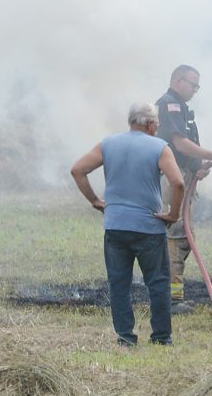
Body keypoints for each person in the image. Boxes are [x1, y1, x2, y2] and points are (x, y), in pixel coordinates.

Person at [70, 102, 185, 347]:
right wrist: (173, 215)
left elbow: (77, 170)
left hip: (116, 226)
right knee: (158, 283)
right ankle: (161, 338)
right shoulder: (160, 147)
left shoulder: (108, 144)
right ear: (152, 125)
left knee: (119, 284)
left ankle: (125, 338)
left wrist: (95, 201)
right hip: (149, 227)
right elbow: (178, 183)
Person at [156, 64, 212, 312]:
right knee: (176, 237)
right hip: (172, 180)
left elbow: (185, 151)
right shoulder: (170, 105)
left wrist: (198, 166)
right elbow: (179, 143)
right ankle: (172, 299)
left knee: (184, 238)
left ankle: (172, 295)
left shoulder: (183, 109)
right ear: (178, 80)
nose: (195, 90)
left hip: (183, 177)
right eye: (193, 84)